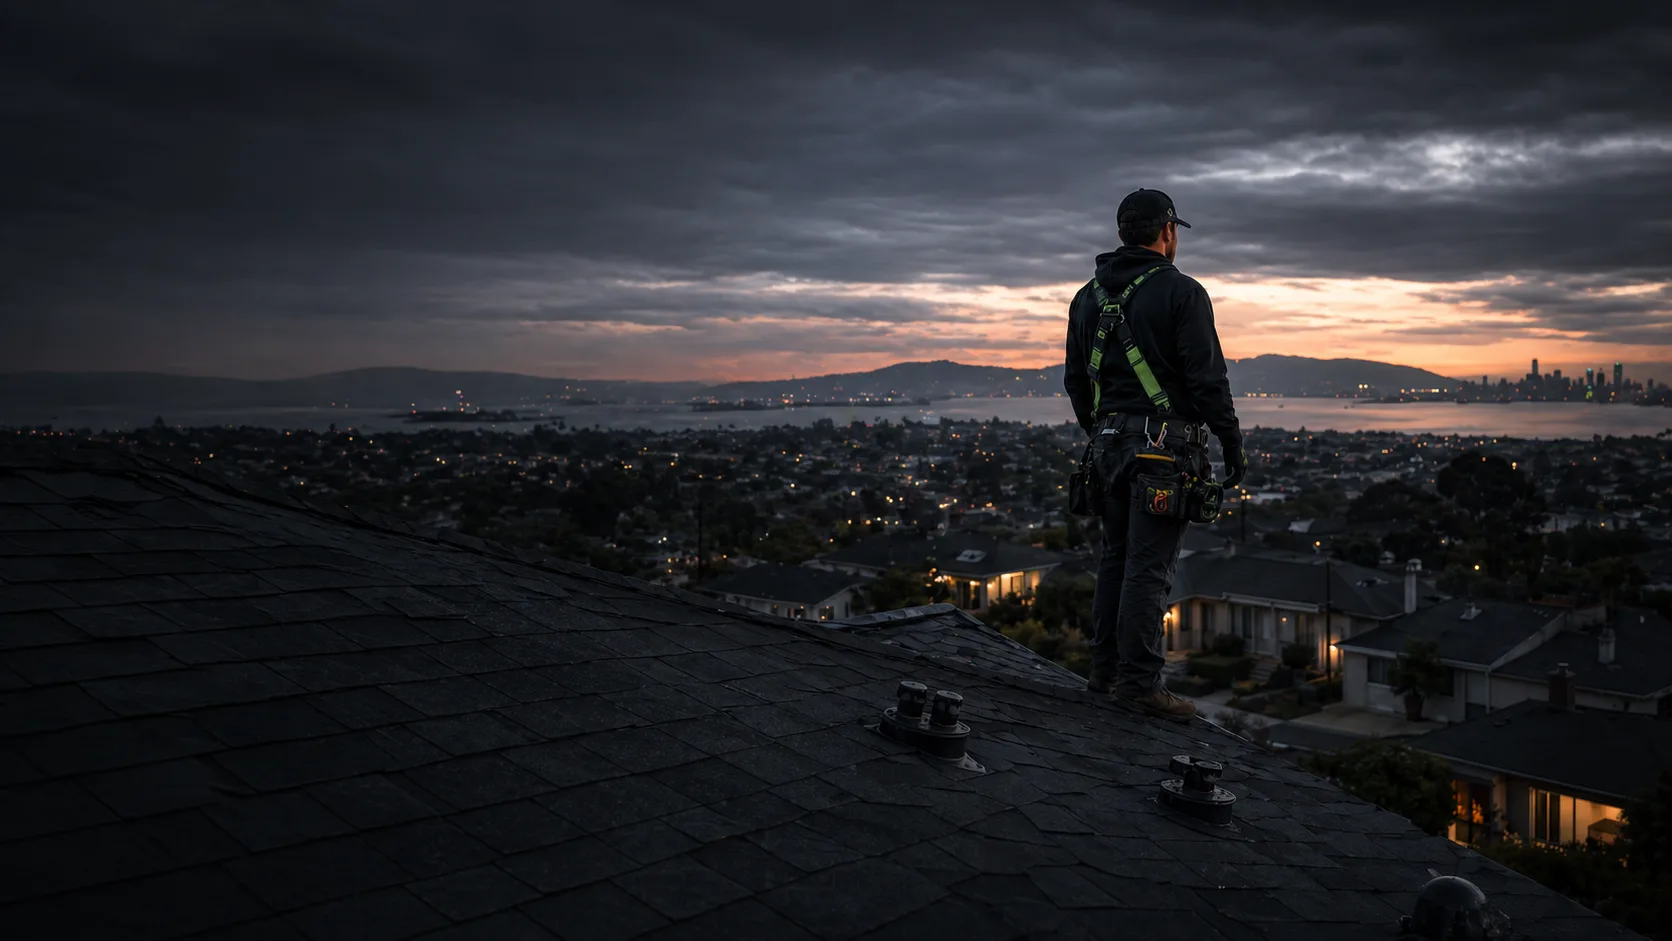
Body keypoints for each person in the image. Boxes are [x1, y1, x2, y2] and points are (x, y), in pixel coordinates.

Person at [1063, 188, 1246, 720]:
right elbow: (1207, 378)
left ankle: (1104, 673)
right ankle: (1140, 685)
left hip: (1106, 447)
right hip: (1164, 453)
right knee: (1148, 567)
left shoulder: (1085, 298)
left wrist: (1104, 432)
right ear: (1167, 231)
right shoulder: (1182, 292)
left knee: (1115, 558)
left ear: (1124, 232)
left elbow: (1077, 381)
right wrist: (1229, 440)